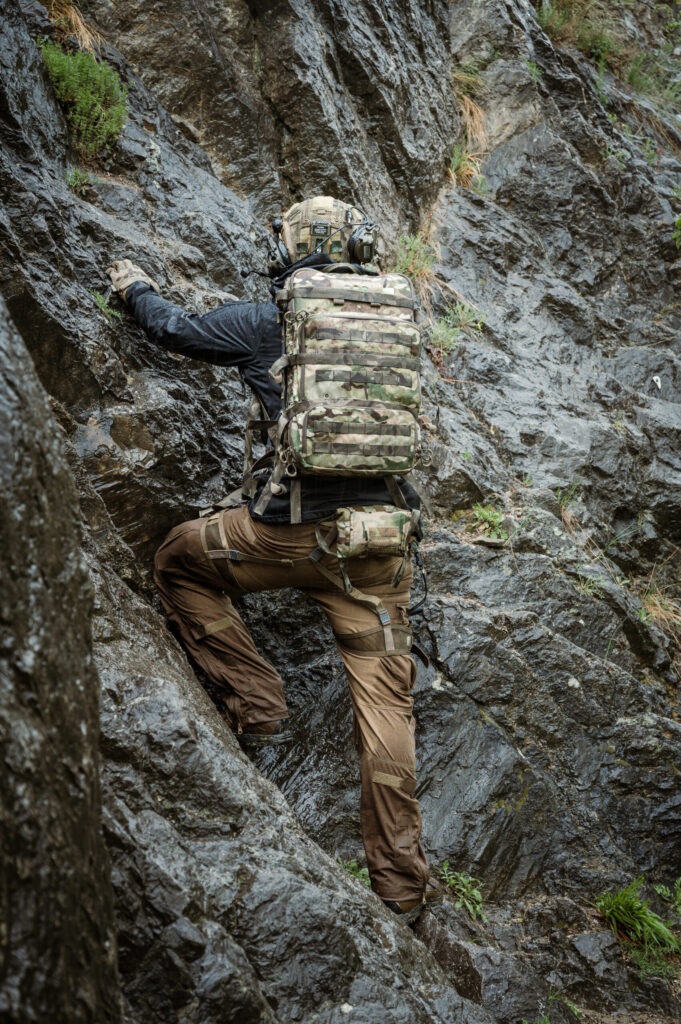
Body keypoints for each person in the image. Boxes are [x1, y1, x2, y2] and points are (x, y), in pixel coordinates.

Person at [106, 196, 441, 922]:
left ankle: (255, 699)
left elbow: (175, 331)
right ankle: (403, 890)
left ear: (294, 247)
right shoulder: (397, 320)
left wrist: (134, 286)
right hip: (377, 554)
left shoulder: (270, 321)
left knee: (176, 558)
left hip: (278, 539)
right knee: (387, 715)